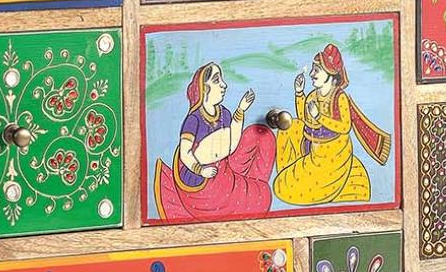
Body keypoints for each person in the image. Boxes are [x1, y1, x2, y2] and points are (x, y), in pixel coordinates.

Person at [270, 43, 393, 206]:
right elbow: (305, 118)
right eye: (312, 69)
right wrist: (299, 93)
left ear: (330, 73)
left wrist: (319, 116)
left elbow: (344, 127)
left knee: (283, 187)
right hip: (313, 146)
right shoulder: (313, 95)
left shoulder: (339, 98)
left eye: (316, 70)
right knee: (290, 128)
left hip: (332, 153)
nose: (312, 74)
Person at [151, 61, 274, 220]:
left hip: (223, 171)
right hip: (201, 178)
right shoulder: (194, 120)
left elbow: (231, 145)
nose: (224, 85)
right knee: (257, 197)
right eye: (216, 80)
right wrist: (200, 170)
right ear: (204, 88)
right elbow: (185, 154)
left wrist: (240, 110)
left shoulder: (224, 113)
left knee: (261, 136)